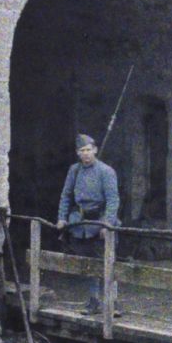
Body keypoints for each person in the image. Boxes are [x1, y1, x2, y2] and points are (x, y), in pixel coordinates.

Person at [57, 134, 120, 313]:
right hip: (80, 224)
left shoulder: (106, 171)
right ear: (78, 153)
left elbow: (113, 200)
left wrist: (107, 224)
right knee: (89, 265)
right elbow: (66, 195)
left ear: (95, 150)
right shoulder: (74, 170)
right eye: (82, 151)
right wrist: (62, 217)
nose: (85, 154)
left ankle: (113, 302)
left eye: (88, 150)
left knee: (108, 262)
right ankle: (94, 301)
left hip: (100, 222)